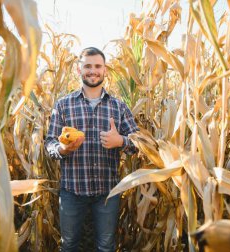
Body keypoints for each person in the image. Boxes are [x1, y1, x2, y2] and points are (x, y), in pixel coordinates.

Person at [45, 47, 139, 252]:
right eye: (87, 66)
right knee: (68, 245)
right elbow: (49, 144)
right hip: (72, 191)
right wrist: (62, 149)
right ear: (79, 70)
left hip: (107, 192)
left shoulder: (119, 107)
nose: (93, 71)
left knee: (106, 246)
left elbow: (140, 144)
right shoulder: (63, 105)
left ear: (105, 70)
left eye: (98, 66)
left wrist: (121, 141)